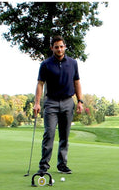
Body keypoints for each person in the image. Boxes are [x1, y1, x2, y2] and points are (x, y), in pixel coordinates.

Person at [34, 35, 84, 174]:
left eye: (61, 46)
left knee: (64, 136)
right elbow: (40, 84)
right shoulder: (45, 64)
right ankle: (44, 166)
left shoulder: (73, 63)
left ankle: (62, 165)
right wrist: (37, 103)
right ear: (52, 48)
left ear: (65, 47)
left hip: (68, 102)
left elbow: (77, 82)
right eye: (56, 47)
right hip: (51, 103)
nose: (59, 49)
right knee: (49, 134)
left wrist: (80, 101)